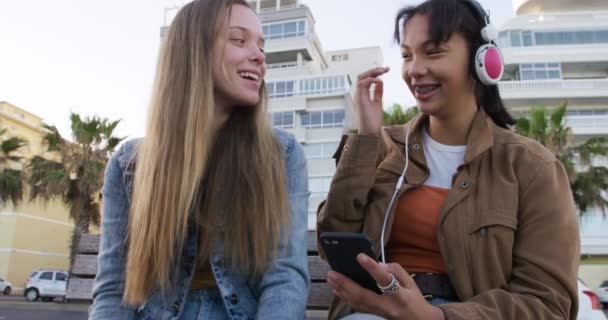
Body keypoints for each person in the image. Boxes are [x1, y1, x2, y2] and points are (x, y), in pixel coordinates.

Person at [316, 0, 580, 319]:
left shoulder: (532, 167)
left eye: (433, 52)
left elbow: (547, 304)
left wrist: (436, 317)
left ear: (482, 59)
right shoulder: (381, 147)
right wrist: (366, 138)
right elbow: (333, 240)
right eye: (407, 55)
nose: (414, 69)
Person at [89, 1, 310, 319]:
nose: (260, 56)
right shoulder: (128, 164)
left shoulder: (282, 153)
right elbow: (114, 290)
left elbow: (285, 280)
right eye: (239, 40)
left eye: (262, 45)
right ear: (194, 51)